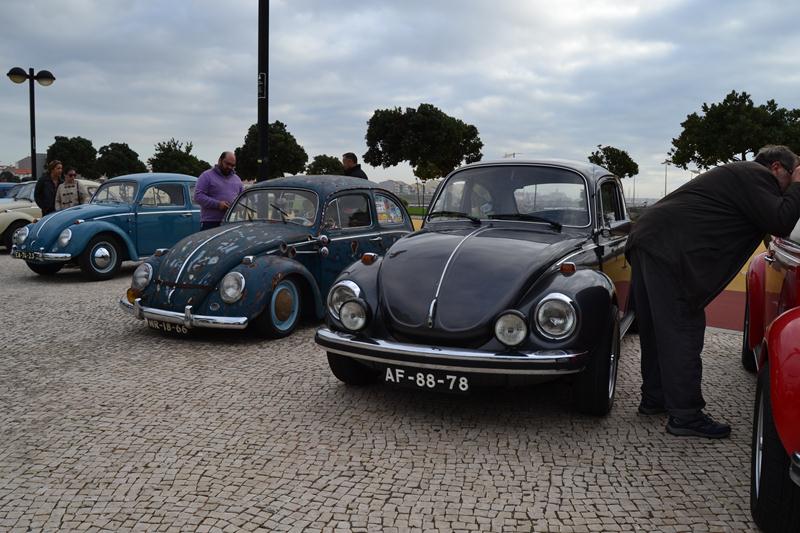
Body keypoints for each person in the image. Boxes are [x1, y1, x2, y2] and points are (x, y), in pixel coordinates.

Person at [626, 145, 800, 439]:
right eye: (790, 175)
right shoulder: (757, 176)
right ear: (776, 168)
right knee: (682, 328)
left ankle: (655, 398)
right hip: (670, 250)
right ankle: (686, 416)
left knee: (659, 328)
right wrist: (798, 185)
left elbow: (775, 229)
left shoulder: (742, 178)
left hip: (650, 241)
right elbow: (781, 221)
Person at [194, 151, 243, 230]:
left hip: (231, 222)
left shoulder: (237, 179)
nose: (230, 167)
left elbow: (242, 199)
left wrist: (238, 206)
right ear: (220, 160)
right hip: (210, 222)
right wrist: (218, 204)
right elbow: (198, 196)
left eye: (232, 165)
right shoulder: (206, 176)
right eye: (227, 164)